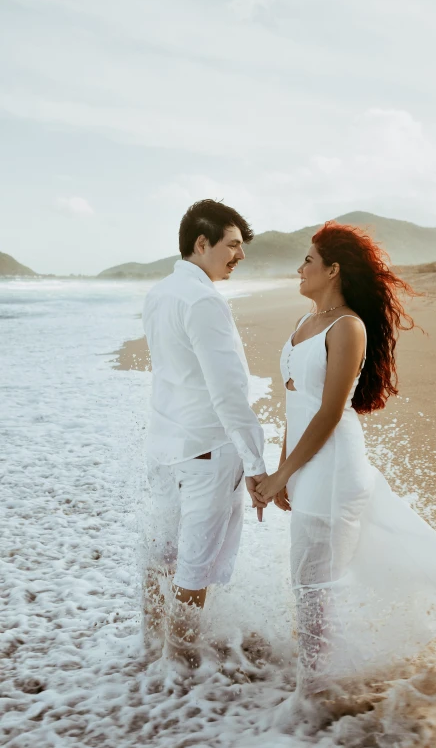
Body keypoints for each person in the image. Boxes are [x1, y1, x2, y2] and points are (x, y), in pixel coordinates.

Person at [256, 221, 436, 694]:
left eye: (308, 261)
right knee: (308, 585)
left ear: (333, 269)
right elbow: (294, 402)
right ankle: (319, 685)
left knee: (315, 589)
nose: (299, 268)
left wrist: (282, 475)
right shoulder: (303, 324)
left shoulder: (348, 327)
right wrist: (286, 471)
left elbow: (329, 413)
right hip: (308, 467)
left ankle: (316, 697)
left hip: (334, 467)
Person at [141, 199, 267, 666]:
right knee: (192, 570)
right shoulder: (204, 301)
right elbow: (228, 393)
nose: (240, 256)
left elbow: (172, 375)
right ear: (202, 243)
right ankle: (182, 673)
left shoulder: (158, 294)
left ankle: (151, 649)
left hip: (165, 446)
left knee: (161, 557)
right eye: (232, 245)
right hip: (206, 452)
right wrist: (255, 464)